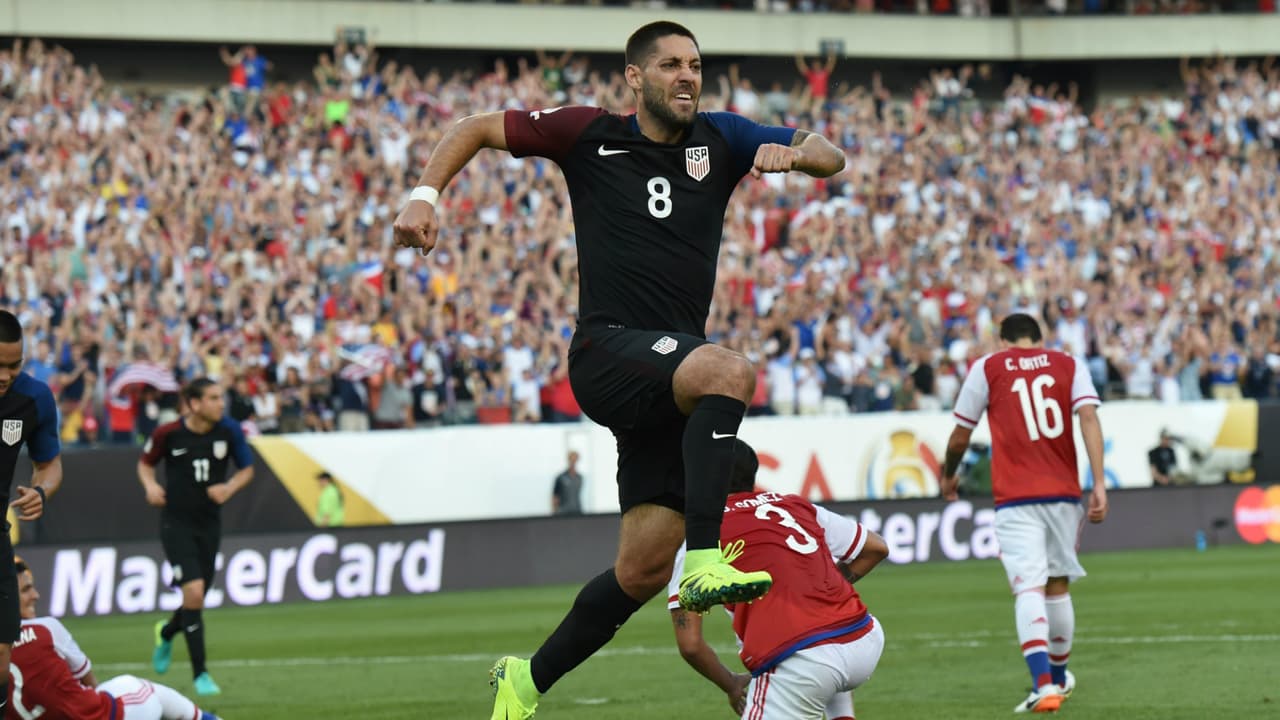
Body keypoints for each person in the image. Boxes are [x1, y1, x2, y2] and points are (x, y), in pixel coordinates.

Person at [393, 21, 846, 720]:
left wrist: (801, 155)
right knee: (730, 372)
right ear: (635, 77)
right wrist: (424, 197)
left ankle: (524, 681)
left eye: (694, 64)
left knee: (640, 570)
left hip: (667, 381)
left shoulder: (724, 137)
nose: (687, 76)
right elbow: (476, 127)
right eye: (670, 65)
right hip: (607, 352)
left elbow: (830, 155)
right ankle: (706, 563)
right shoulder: (589, 134)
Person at [941, 313, 1108, 714]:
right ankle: (1058, 676)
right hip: (1063, 493)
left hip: (1016, 496)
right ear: (1040, 338)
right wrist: (1099, 482)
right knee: (1058, 585)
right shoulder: (1069, 364)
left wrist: (948, 475)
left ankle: (1043, 685)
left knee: (1029, 588)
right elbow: (1088, 418)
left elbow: (961, 434)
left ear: (1003, 341)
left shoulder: (988, 367)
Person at [667, 440, 888, 720]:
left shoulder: (701, 538)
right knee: (823, 639)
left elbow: (690, 644)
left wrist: (731, 684)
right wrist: (826, 587)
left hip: (802, 660)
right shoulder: (795, 506)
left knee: (816, 653)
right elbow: (876, 548)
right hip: (864, 639)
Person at [137, 378, 255, 697]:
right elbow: (145, 465)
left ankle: (166, 631)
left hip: (209, 524)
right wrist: (151, 486)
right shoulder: (168, 433)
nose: (220, 403)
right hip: (176, 524)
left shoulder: (229, 430)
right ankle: (201, 674)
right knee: (194, 592)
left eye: (220, 397)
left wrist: (228, 488)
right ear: (194, 403)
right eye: (213, 398)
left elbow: (247, 469)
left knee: (196, 599)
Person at [6, 558, 221, 720]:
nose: (35, 595)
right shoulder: (46, 629)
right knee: (141, 688)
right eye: (26, 590)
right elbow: (90, 683)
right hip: (107, 715)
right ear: (6, 596)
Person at [0, 310, 62, 717]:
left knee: (1, 658)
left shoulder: (34, 397)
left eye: (14, 365)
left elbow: (49, 464)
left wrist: (41, 490)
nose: (5, 375)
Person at [551, 450, 584, 516]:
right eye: (572, 459)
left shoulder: (579, 478)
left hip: (577, 511)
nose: (573, 461)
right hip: (563, 512)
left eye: (575, 459)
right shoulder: (561, 477)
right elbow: (555, 496)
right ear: (568, 459)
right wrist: (554, 512)